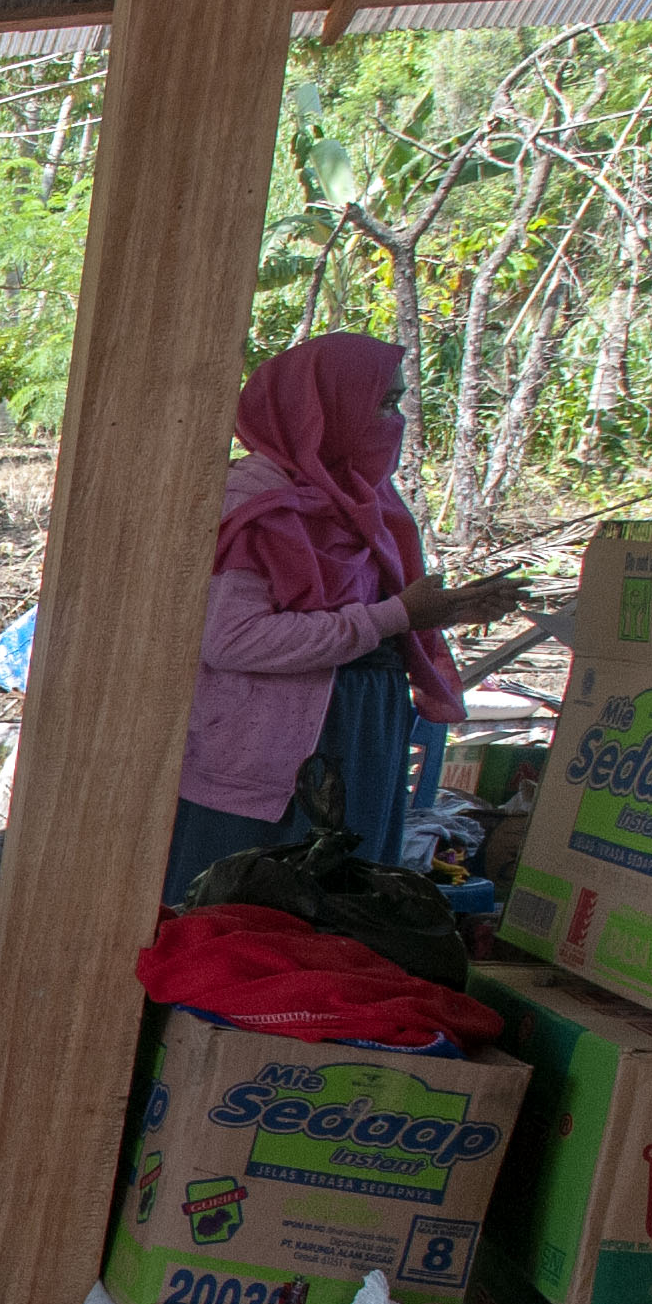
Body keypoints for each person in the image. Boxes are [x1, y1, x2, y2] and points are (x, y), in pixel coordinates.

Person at [169, 334, 528, 904]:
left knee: (342, 915)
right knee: (250, 918)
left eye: (400, 403)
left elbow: (367, 614)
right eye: (384, 405)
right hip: (272, 756)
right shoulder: (259, 504)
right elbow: (233, 640)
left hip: (359, 733)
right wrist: (393, 616)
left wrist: (448, 608)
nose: (398, 421)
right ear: (323, 411)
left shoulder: (366, 500)